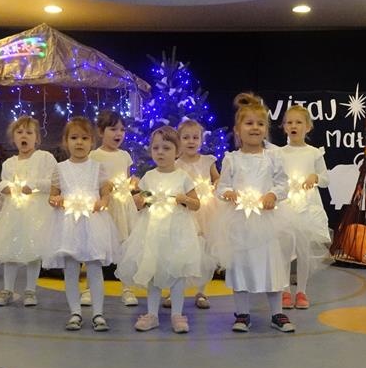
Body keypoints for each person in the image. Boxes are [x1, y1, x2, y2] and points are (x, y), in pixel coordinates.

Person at [211, 98, 296, 332]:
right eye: (249, 123)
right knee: (240, 265)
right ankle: (242, 314)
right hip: (240, 223)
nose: (255, 128)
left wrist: (273, 195)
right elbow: (221, 187)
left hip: (266, 221)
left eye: (260, 124)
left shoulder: (273, 157)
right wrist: (228, 193)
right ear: (238, 130)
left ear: (266, 129)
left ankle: (277, 313)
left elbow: (283, 184)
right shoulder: (232, 159)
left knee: (271, 265)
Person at [118, 126, 208, 333]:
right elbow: (139, 203)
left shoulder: (183, 177)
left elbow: (196, 204)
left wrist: (185, 199)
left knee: (177, 273)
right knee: (153, 271)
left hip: (178, 234)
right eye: (156, 148)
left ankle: (177, 314)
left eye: (166, 148)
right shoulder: (148, 177)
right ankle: (152, 314)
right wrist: (140, 200)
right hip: (153, 233)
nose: (160, 152)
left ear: (177, 151)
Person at [46, 116, 120, 331]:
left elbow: (106, 192)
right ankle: (75, 312)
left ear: (92, 142)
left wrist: (103, 202)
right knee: (71, 268)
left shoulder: (97, 167)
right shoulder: (60, 168)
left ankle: (98, 313)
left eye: (84, 138)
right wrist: (55, 200)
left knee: (95, 267)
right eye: (74, 138)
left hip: (93, 223)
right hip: (68, 224)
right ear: (65, 141)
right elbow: (52, 196)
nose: (79, 142)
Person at [0, 116, 56, 306]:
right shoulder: (9, 163)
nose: (24, 136)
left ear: (37, 138)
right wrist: (4, 187)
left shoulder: (44, 158)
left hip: (37, 214)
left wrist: (33, 185)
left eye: (29, 132)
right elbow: (4, 181)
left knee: (34, 252)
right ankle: (7, 289)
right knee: (10, 251)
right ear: (13, 138)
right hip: (14, 215)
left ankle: (30, 290)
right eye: (19, 132)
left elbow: (53, 182)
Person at [277, 104, 332, 309]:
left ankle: (301, 291)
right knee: (284, 250)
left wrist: (314, 177)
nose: (294, 126)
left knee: (303, 251)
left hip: (307, 208)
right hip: (285, 207)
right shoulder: (279, 153)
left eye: (299, 122)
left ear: (308, 127)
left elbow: (325, 179)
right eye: (289, 122)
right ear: (284, 127)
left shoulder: (314, 153)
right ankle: (284, 290)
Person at [90, 110, 139, 307]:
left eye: (122, 129)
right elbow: (92, 181)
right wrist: (104, 187)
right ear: (101, 131)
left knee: (125, 245)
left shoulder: (125, 156)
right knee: (98, 246)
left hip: (123, 206)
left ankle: (127, 288)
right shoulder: (95, 156)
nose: (119, 133)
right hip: (105, 206)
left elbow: (125, 178)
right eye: (113, 129)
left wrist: (132, 182)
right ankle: (91, 289)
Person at [176, 118, 220, 310]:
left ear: (201, 140)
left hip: (207, 210)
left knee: (205, 251)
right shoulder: (177, 164)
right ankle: (176, 290)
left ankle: (201, 291)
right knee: (182, 250)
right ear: (179, 140)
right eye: (186, 137)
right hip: (186, 210)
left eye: (195, 137)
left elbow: (217, 178)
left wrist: (217, 184)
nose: (191, 141)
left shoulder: (208, 161)